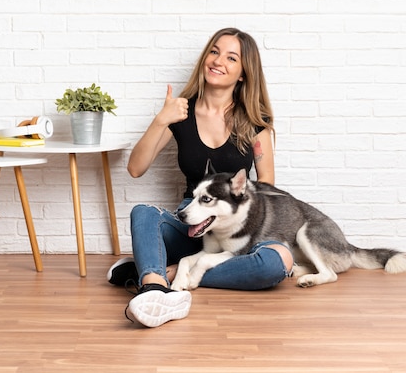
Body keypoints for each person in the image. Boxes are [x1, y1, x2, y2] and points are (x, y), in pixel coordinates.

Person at [108, 28, 294, 328]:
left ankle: (161, 273)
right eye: (214, 51)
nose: (218, 60)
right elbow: (135, 168)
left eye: (231, 57)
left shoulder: (254, 120)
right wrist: (161, 119)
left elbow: (266, 185)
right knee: (144, 214)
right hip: (194, 225)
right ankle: (154, 293)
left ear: (244, 73)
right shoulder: (180, 111)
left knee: (278, 263)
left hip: (238, 226)